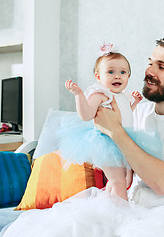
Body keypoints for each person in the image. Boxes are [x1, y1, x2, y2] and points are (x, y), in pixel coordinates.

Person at [0, 35, 164, 237]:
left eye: (161, 66)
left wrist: (115, 130)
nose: (149, 71)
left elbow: (163, 183)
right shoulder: (138, 111)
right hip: (127, 204)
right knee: (55, 231)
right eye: (150, 62)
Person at [56, 43, 152, 200]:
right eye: (110, 72)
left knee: (121, 180)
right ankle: (122, 214)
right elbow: (86, 115)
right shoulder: (101, 94)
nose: (117, 76)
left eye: (123, 72)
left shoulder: (122, 95)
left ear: (128, 76)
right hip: (106, 143)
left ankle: (106, 206)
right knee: (118, 181)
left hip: (123, 141)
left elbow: (124, 116)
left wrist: (134, 103)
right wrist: (79, 95)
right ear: (98, 77)